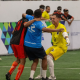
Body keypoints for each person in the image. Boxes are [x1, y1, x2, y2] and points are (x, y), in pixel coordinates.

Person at [22, 9, 64, 80]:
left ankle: (31, 77)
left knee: (35, 60)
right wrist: (57, 30)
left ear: (34, 15)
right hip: (36, 46)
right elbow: (45, 29)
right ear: (41, 15)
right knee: (44, 58)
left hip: (27, 45)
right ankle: (44, 77)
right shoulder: (39, 23)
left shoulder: (30, 18)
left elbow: (23, 14)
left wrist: (32, 20)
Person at [35, 14, 70, 80]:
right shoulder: (52, 26)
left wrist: (67, 39)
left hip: (61, 47)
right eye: (51, 18)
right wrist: (37, 31)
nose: (52, 20)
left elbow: (64, 33)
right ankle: (42, 75)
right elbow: (45, 29)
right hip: (54, 46)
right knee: (41, 57)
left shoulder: (61, 26)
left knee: (48, 58)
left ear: (58, 19)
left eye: (53, 18)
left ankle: (53, 77)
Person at [5, 9, 33, 80]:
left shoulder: (19, 21)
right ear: (31, 15)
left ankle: (9, 73)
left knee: (18, 59)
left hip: (13, 41)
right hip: (19, 43)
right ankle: (16, 79)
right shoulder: (26, 21)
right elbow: (25, 25)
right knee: (23, 61)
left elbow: (13, 32)